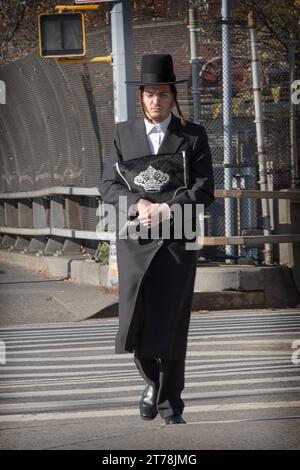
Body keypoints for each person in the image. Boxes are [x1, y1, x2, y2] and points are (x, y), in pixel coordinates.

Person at [99, 54, 215, 425]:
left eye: (162, 94)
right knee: (137, 318)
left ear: (172, 96)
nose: (156, 101)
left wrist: (169, 208)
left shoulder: (192, 134)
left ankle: (171, 406)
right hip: (134, 240)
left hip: (177, 240)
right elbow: (107, 185)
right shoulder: (122, 133)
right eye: (150, 94)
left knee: (172, 321)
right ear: (141, 96)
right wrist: (137, 202)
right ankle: (151, 381)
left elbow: (205, 187)